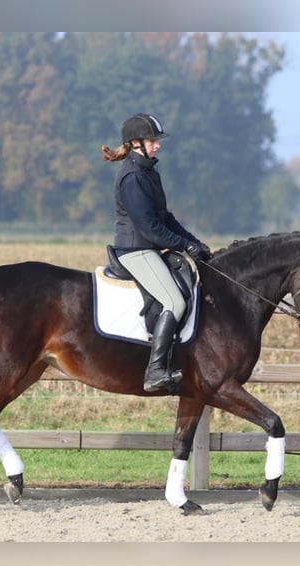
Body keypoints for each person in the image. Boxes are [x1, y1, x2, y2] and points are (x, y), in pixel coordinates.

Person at [101, 113, 211, 393]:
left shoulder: (148, 172)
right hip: (135, 249)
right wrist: (184, 246)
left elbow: (165, 217)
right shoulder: (132, 177)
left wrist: (194, 241)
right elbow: (149, 228)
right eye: (153, 141)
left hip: (147, 247)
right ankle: (155, 370)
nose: (158, 145)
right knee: (174, 302)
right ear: (136, 143)